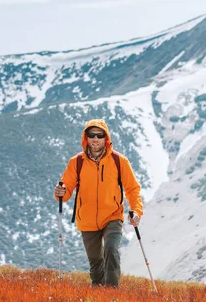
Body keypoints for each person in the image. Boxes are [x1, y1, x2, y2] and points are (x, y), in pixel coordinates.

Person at [54, 119, 143, 288]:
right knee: (95, 263)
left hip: (113, 216)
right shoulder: (77, 162)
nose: (95, 139)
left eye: (99, 135)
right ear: (85, 138)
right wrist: (60, 192)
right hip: (87, 219)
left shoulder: (119, 161)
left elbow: (132, 189)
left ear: (106, 138)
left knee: (111, 248)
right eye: (91, 135)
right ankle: (98, 292)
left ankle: (111, 293)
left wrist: (136, 211)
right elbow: (66, 189)